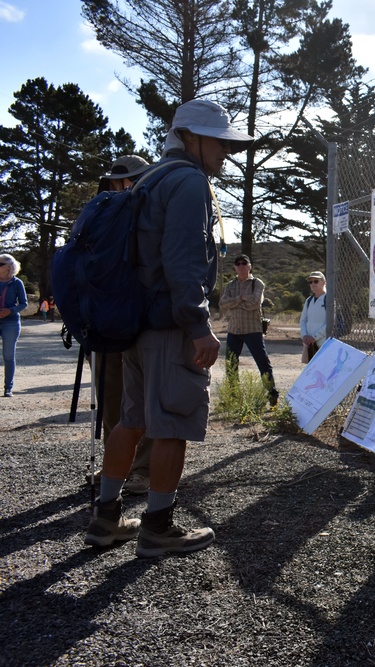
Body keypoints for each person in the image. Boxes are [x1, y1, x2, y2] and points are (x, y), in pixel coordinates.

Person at [84, 99, 253, 557]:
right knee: (173, 421)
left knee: (132, 419)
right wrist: (198, 326)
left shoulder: (149, 178)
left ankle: (106, 518)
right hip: (168, 325)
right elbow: (182, 261)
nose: (226, 152)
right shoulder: (188, 181)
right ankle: (158, 527)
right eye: (220, 142)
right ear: (192, 138)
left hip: (137, 323)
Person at [89, 155, 155, 495]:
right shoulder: (97, 215)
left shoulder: (154, 211)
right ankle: (117, 465)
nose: (124, 186)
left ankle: (144, 469)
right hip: (104, 322)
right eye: (118, 181)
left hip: (141, 320)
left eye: (131, 179)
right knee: (110, 396)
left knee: (145, 398)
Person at [219, 254, 279, 405]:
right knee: (231, 363)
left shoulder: (257, 284)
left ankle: (272, 393)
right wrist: (240, 299)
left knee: (262, 361)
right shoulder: (231, 285)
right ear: (234, 268)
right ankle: (234, 396)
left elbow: (254, 303)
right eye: (238, 264)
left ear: (250, 266)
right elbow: (223, 304)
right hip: (234, 330)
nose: (241, 266)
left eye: (244, 263)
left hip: (252, 329)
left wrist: (235, 303)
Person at [0, 253, 28, 397]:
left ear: (9, 267)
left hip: (10, 322)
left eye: (1, 264)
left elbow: (24, 303)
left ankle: (8, 388)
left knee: (8, 355)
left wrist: (10, 311)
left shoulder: (17, 283)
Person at [299, 271, 328, 362]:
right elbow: (303, 320)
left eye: (316, 281)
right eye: (310, 282)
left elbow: (331, 322)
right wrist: (304, 336)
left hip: (323, 343)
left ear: (324, 282)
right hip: (309, 345)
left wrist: (315, 337)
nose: (312, 284)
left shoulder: (329, 299)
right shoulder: (309, 300)